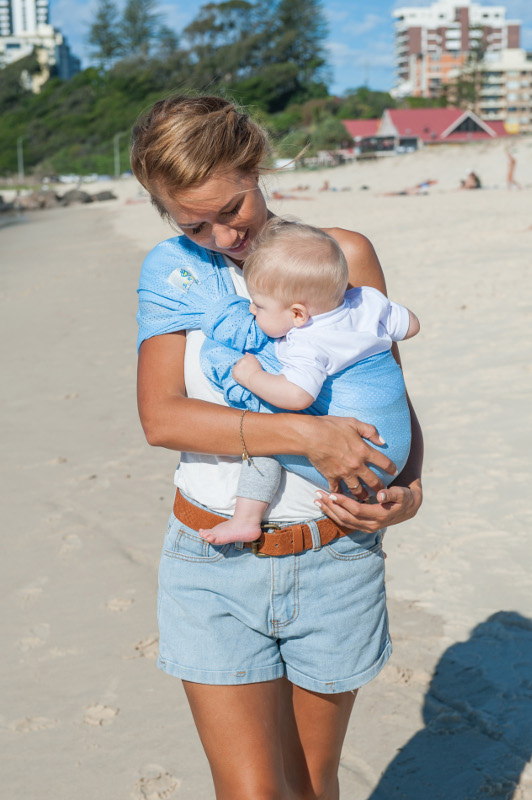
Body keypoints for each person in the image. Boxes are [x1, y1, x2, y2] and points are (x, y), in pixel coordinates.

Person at [131, 94, 423, 800]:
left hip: (333, 558)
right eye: (191, 221)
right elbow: (162, 417)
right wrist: (302, 431)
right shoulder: (171, 273)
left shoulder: (342, 255)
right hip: (211, 560)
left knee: (311, 784)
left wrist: (408, 493)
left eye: (232, 208)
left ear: (255, 166)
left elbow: (387, 393)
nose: (222, 236)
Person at [199, 218, 420, 546]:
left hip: (361, 459)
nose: (251, 308)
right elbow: (412, 326)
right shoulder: (367, 301)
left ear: (298, 315)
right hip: (396, 450)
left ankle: (245, 519)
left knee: (269, 438)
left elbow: (297, 396)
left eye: (259, 305)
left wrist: (252, 376)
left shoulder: (307, 344)